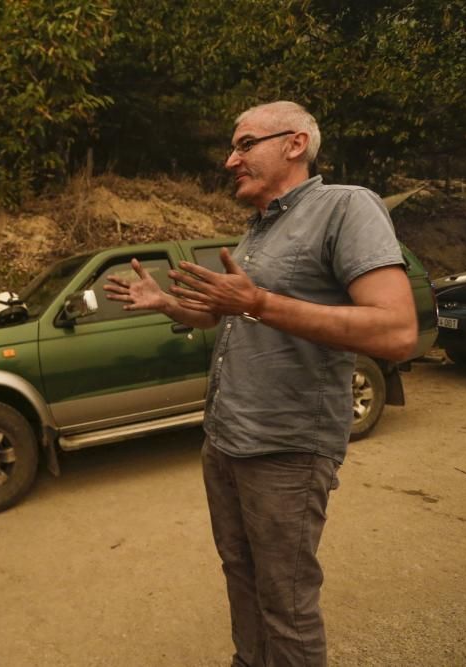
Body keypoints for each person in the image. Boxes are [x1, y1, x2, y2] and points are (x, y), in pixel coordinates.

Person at [105, 101, 417, 666]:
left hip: (287, 449)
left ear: (295, 144)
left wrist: (259, 301)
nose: (231, 160)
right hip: (225, 439)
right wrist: (166, 303)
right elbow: (225, 316)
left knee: (286, 601)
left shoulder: (346, 207)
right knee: (241, 574)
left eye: (245, 144)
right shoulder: (257, 230)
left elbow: (396, 331)